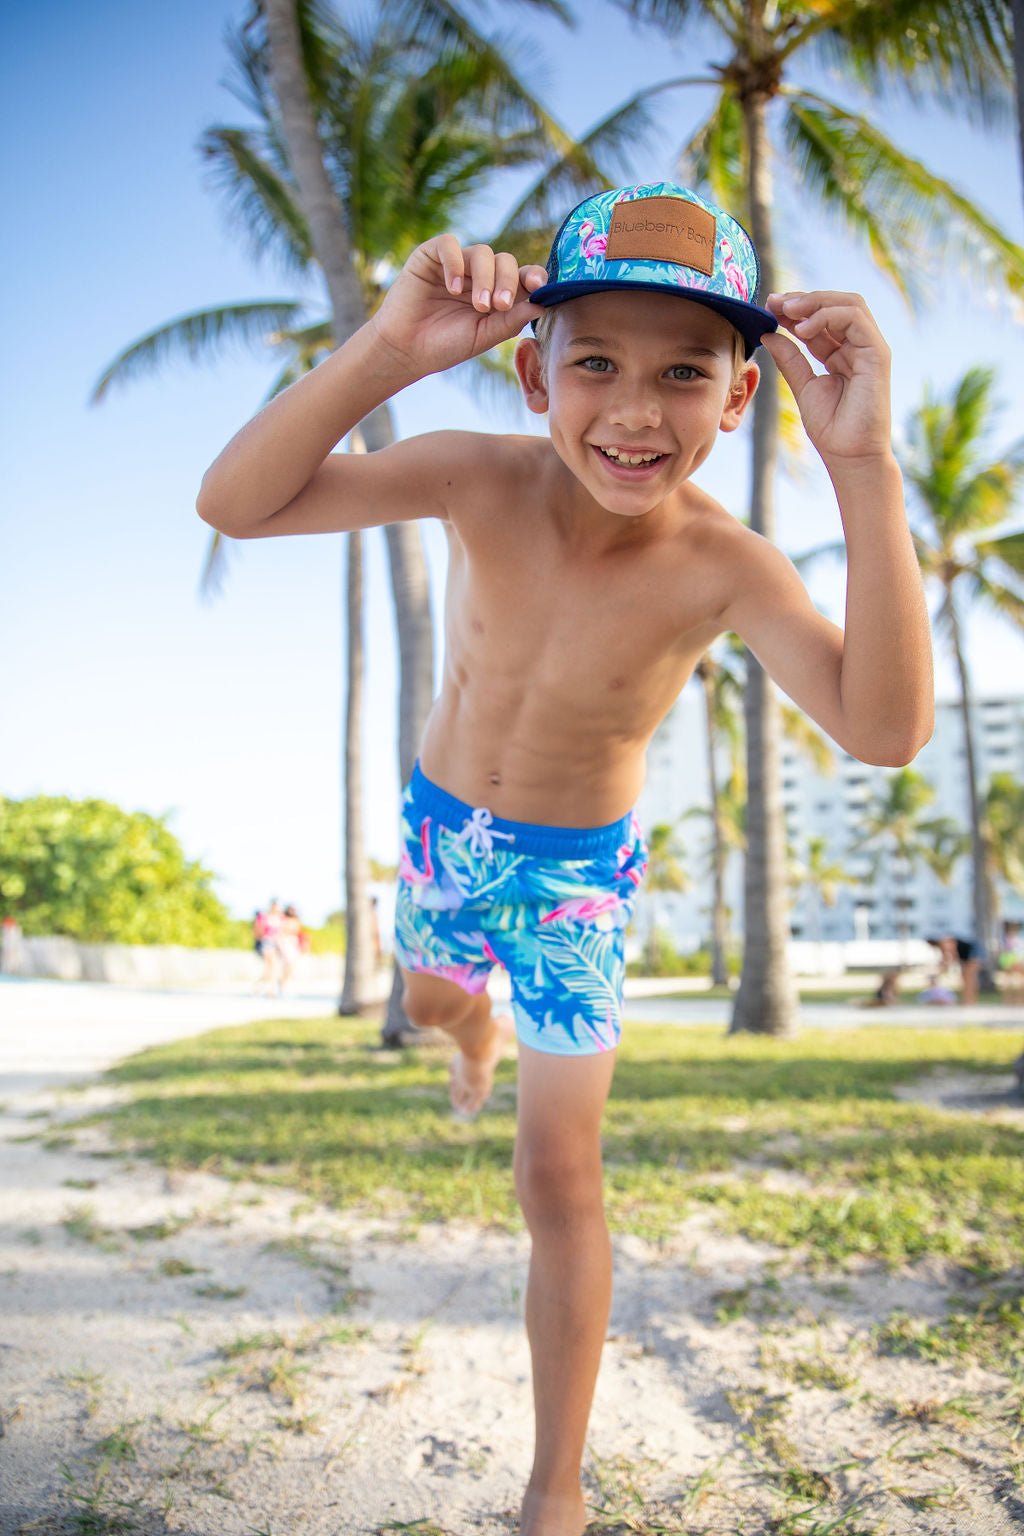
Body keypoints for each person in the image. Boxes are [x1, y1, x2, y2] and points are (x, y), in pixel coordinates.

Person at [197, 181, 934, 1536]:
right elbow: (236, 503)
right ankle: (465, 1029)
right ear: (535, 371)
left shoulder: (731, 566)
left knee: (559, 1178)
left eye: (684, 373)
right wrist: (387, 351)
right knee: (428, 1003)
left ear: (739, 399)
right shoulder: (478, 472)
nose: (636, 410)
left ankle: (555, 1490)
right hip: (440, 831)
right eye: (596, 362)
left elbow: (884, 730)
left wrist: (866, 463)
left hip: (572, 884)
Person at [925, 934, 979, 1005]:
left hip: (972, 952)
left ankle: (970, 1000)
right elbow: (946, 958)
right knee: (965, 978)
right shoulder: (942, 945)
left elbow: (952, 954)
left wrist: (945, 966)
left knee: (969, 978)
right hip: (965, 956)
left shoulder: (944, 942)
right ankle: (967, 999)